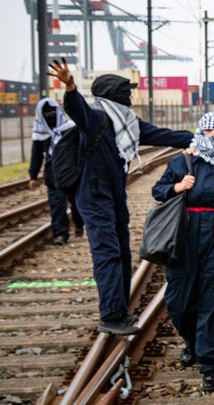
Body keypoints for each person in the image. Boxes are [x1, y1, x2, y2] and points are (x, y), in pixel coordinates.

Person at [49, 61, 193, 335]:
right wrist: (69, 86)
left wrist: (202, 137)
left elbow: (163, 135)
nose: (130, 96)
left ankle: (119, 309)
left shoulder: (128, 122)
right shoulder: (96, 118)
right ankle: (111, 315)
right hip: (92, 194)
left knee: (122, 252)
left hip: (113, 194)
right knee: (108, 252)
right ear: (114, 94)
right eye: (126, 91)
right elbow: (75, 108)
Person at [152, 113, 214, 391]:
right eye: (207, 130)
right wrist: (177, 186)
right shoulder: (184, 160)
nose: (212, 136)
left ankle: (210, 365)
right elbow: (158, 190)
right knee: (178, 300)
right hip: (184, 236)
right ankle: (192, 340)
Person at [29, 97, 85, 245]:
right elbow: (36, 155)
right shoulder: (40, 133)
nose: (50, 116)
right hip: (53, 174)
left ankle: (79, 224)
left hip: (72, 172)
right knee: (57, 204)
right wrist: (33, 176)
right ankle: (60, 234)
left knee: (77, 202)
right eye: (46, 114)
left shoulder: (71, 128)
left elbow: (81, 150)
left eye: (52, 113)